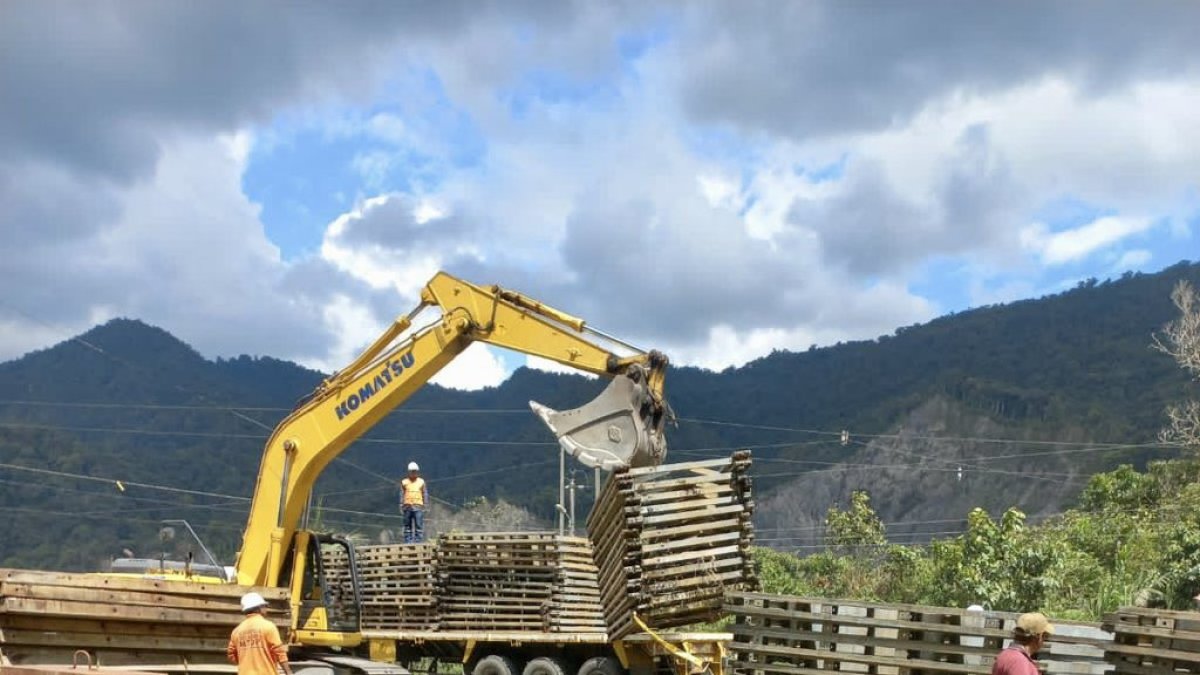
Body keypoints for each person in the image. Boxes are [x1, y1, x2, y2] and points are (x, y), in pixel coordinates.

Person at [227, 592, 293, 675]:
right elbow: (279, 651)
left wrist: (246, 664)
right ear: (258, 608)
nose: (266, 609)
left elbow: (231, 654)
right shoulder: (268, 626)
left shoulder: (237, 631)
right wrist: (288, 672)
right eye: (264, 606)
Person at [400, 461, 428, 543]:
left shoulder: (421, 482)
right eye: (412, 471)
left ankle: (418, 542)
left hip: (418, 506)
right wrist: (401, 505)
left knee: (418, 526)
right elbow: (402, 494)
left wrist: (425, 504)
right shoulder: (404, 482)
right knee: (407, 526)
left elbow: (424, 493)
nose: (413, 473)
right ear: (409, 472)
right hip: (407, 506)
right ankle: (408, 542)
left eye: (415, 471)